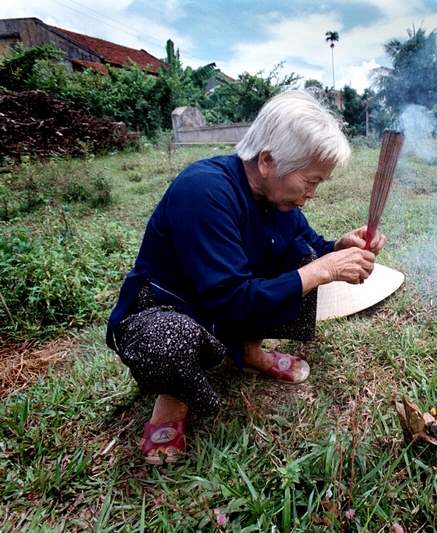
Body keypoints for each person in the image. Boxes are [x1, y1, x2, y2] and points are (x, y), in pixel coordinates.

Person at [106, 91, 384, 464]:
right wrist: (321, 270)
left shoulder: (276, 201)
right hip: (169, 308)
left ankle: (248, 351)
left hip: (221, 309)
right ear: (268, 160)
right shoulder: (204, 190)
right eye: (310, 181)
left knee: (302, 259)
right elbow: (230, 297)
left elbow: (312, 248)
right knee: (167, 342)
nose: (312, 194)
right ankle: (172, 397)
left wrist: (339, 247)